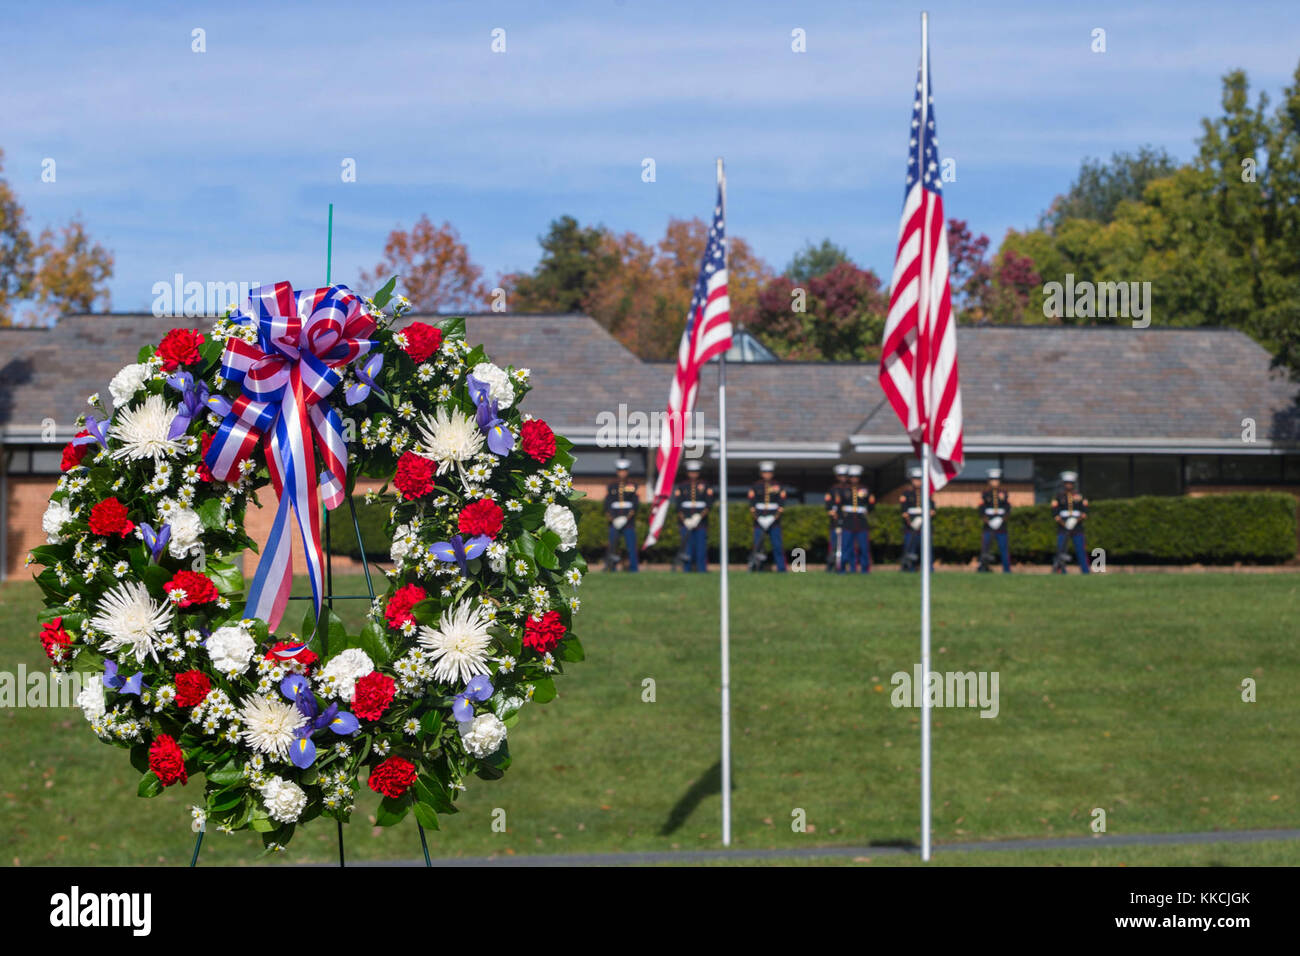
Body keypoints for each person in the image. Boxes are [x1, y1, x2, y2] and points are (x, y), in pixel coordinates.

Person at [674, 459, 713, 573]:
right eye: (691, 472)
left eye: (695, 472)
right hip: (685, 522)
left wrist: (699, 517)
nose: (693, 474)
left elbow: (709, 504)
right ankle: (687, 569)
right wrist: (685, 520)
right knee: (687, 548)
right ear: (688, 473)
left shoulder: (705, 485)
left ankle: (702, 570)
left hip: (700, 523)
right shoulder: (682, 486)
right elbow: (678, 505)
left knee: (701, 548)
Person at [747, 461, 787, 571]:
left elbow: (781, 505)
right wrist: (758, 518)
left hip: (774, 521)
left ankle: (781, 568)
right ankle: (758, 568)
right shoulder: (756, 486)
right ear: (761, 473)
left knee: (777, 546)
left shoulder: (778, 486)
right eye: (765, 472)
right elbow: (752, 505)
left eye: (769, 472)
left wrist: (773, 518)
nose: (767, 474)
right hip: (759, 520)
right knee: (758, 546)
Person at [603, 458, 639, 572]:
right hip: (614, 522)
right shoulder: (611, 486)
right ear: (617, 471)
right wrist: (613, 519)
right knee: (613, 546)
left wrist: (626, 518)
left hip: (628, 522)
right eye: (620, 470)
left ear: (627, 472)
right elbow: (607, 504)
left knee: (631, 547)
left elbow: (635, 505)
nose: (622, 472)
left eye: (624, 470)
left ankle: (634, 569)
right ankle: (611, 567)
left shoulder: (633, 485)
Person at [1051, 471, 1090, 574]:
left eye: (1071, 483)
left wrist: (1075, 521)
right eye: (1066, 483)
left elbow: (1085, 512)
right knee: (1061, 550)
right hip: (1063, 528)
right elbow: (1055, 514)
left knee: (1080, 550)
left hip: (1077, 528)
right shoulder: (1058, 497)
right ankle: (1061, 571)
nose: (1068, 485)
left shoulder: (1080, 496)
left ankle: (1085, 571)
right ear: (1064, 484)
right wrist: (1065, 524)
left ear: (1073, 484)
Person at [839, 464, 875, 573]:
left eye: (856, 477)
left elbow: (871, 505)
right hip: (848, 521)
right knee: (846, 546)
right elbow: (839, 506)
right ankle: (845, 568)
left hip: (861, 521)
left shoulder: (865, 489)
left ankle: (865, 568)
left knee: (864, 547)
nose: (854, 479)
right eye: (852, 477)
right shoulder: (844, 490)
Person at [899, 466, 934, 572]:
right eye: (915, 479)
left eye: (920, 479)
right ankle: (909, 568)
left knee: (926, 549)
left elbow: (932, 510)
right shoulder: (906, 494)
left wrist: (923, 519)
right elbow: (904, 511)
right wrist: (911, 523)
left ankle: (928, 568)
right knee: (910, 548)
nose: (918, 481)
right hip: (910, 526)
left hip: (924, 526)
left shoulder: (927, 494)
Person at [977, 468, 1011, 573]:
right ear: (989, 481)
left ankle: (1006, 569)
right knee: (985, 548)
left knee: (1004, 549)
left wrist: (1001, 520)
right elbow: (981, 510)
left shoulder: (1004, 493)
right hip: (988, 526)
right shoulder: (985, 494)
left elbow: (1008, 509)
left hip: (1001, 526)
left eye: (996, 480)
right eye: (992, 480)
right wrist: (989, 521)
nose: (994, 482)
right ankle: (983, 568)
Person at [825, 463, 849, 572]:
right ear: (837, 477)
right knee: (834, 545)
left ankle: (843, 565)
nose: (843, 478)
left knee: (846, 545)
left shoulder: (850, 490)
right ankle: (830, 565)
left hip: (847, 522)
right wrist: (835, 517)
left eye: (845, 476)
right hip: (835, 523)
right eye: (841, 476)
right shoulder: (832, 490)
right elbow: (829, 506)